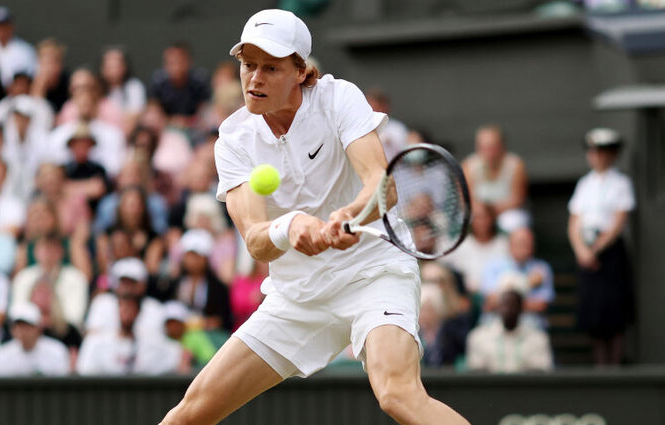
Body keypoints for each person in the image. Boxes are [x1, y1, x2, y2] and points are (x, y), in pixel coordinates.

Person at [159, 10, 469, 425]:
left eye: (271, 68)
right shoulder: (233, 140)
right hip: (297, 296)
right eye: (248, 65)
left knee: (398, 395)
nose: (254, 79)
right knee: (189, 414)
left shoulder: (338, 98)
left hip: (373, 272)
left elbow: (382, 184)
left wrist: (349, 214)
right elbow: (254, 238)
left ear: (301, 72)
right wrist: (292, 227)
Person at [568, 128, 635, 366]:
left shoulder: (621, 184)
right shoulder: (584, 185)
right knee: (594, 315)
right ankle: (600, 365)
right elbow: (574, 223)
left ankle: (615, 365)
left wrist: (596, 249)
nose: (597, 156)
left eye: (603, 151)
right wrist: (582, 251)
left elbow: (618, 222)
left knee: (614, 314)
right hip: (587, 253)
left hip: (609, 254)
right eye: (594, 151)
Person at [77, 293, 183, 376]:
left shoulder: (151, 343)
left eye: (131, 309)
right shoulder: (98, 342)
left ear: (138, 313)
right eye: (123, 308)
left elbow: (177, 357)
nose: (126, 313)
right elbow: (85, 371)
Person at [480, 227, 554, 329]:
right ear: (510, 244)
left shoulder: (542, 269)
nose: (526, 246)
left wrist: (506, 302)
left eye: (529, 242)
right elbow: (491, 302)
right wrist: (528, 283)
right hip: (496, 327)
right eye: (521, 242)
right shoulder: (493, 266)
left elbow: (541, 305)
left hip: (531, 328)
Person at [462, 124, 529, 232]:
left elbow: (518, 199)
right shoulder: (468, 166)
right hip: (479, 213)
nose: (488, 152)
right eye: (483, 147)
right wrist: (482, 213)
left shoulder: (516, 165)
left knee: (512, 222)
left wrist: (491, 212)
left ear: (502, 146)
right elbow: (466, 200)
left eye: (492, 147)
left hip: (507, 212)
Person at [466, 289, 553, 373]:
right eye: (505, 304)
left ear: (521, 309)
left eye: (514, 305)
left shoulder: (538, 339)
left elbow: (541, 371)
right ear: (498, 307)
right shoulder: (478, 337)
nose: (509, 309)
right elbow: (476, 371)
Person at [0, 302, 70, 376]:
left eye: (27, 327)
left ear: (38, 328)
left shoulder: (57, 351)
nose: (23, 332)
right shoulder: (2, 354)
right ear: (13, 330)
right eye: (19, 327)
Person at [149, 43, 211, 127]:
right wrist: (172, 121)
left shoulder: (199, 82)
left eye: (177, 62)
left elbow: (204, 112)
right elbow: (154, 111)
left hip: (195, 129)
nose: (174, 68)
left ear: (187, 62)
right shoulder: (158, 82)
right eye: (169, 63)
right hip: (165, 129)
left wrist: (187, 122)